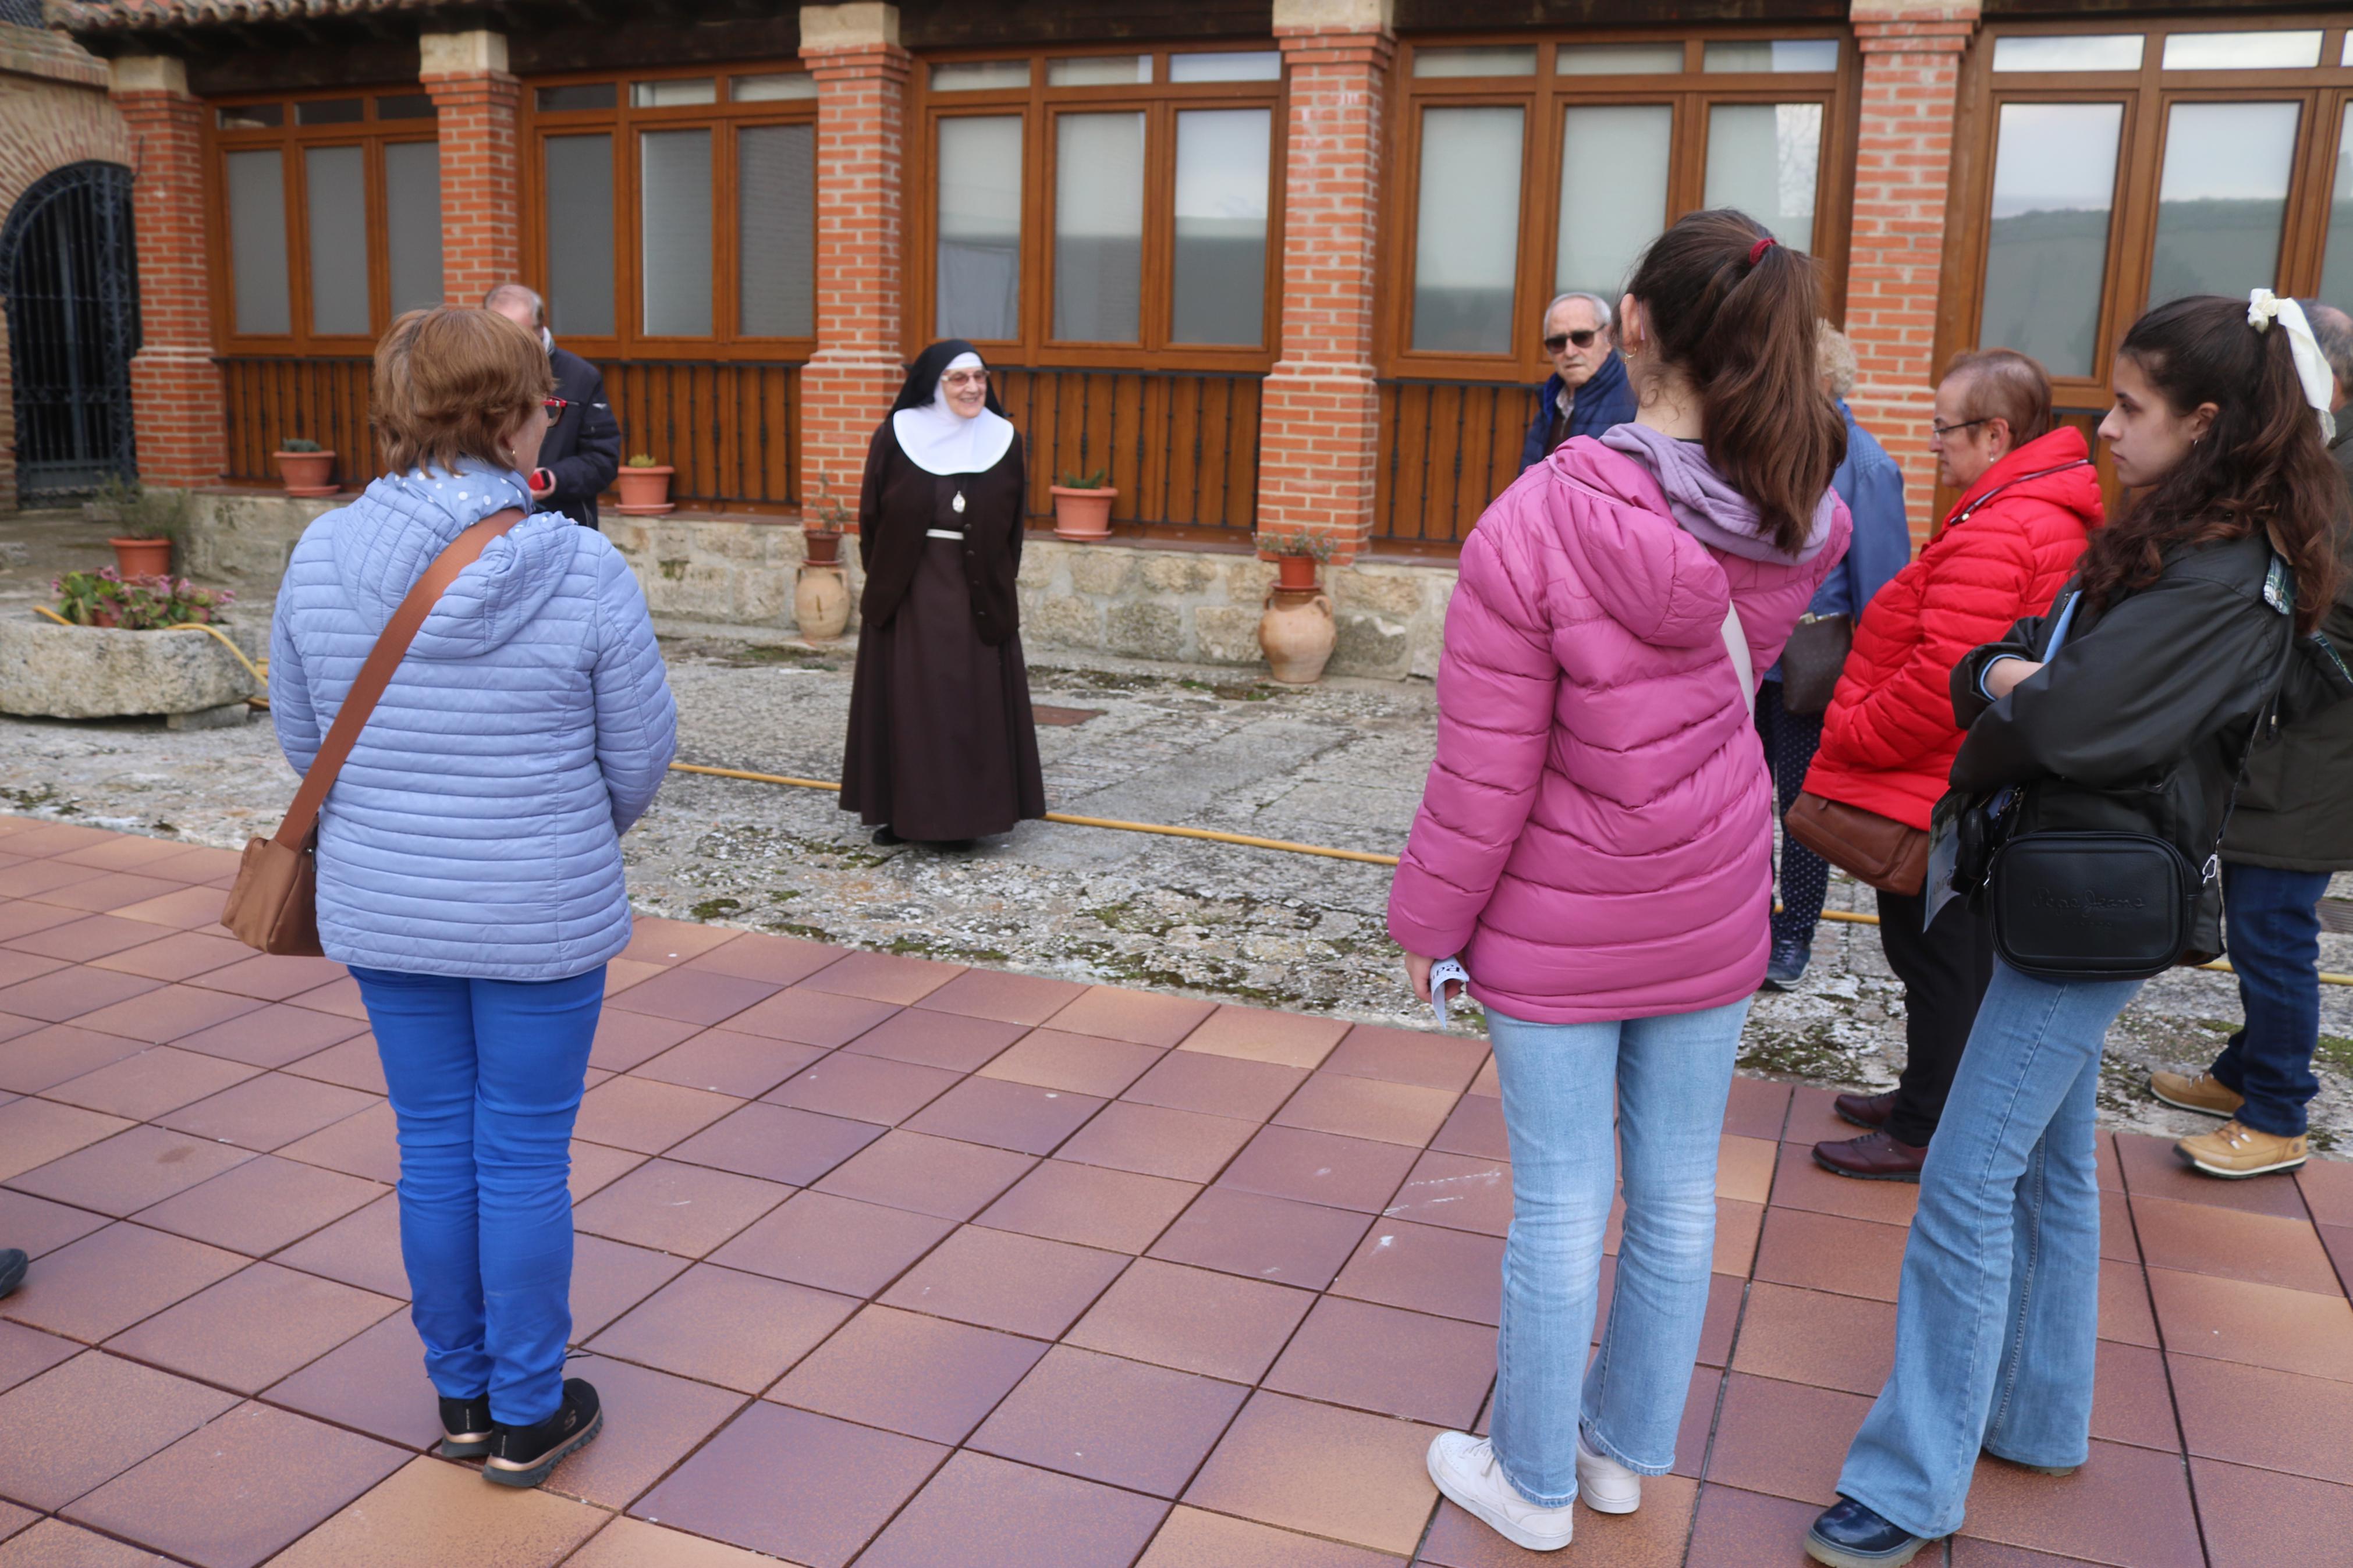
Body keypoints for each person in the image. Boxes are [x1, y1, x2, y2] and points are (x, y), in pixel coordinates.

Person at [1807, 291, 2340, 1568]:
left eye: (2131, 407)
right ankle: (2036, 1418)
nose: (2105, 429)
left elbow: (2064, 717)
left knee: (1961, 1182)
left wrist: (2001, 681)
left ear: (2205, 422)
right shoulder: (2201, 543)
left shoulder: (2219, 572)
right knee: (2039, 1164)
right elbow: (2042, 682)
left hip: (2085, 902)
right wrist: (2011, 677)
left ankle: (1908, 1483)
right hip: (2069, 884)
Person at [1392, 210, 1851, 1554]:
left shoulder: (1537, 517)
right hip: (1710, 893)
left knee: (1558, 1206)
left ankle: (1528, 1482)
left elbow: (1485, 773)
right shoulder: (1792, 513)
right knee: (1676, 1192)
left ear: (1631, 326)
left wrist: (1425, 922)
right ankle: (1613, 1460)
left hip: (1556, 916)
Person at [269, 305, 677, 1488]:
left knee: (433, 1147)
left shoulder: (318, 554)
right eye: (543, 396)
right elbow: (639, 755)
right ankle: (531, 1408)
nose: (554, 410)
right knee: (523, 1159)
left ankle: (460, 1397)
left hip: (385, 902)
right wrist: (558, 829)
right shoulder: (581, 563)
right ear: (509, 412)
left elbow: (305, 740)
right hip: (540, 907)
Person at [1801, 349, 2101, 1181]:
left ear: (1994, 431)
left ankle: (1923, 1125)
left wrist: (1851, 728)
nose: (1932, 442)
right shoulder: (2022, 506)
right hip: (1954, 778)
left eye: (1943, 428)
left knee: (1936, 958)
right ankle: (1923, 1094)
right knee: (1941, 954)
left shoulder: (2007, 522)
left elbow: (1945, 674)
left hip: (1934, 784)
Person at [2152, 297, 2353, 1179]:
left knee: (2274, 931)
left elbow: (2325, 611)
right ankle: (2243, 1073)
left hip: (2309, 747)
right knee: (2260, 919)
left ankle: (2276, 1111)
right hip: (2283, 740)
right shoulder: (2318, 458)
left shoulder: (2336, 473)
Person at [840, 340, 1045, 847]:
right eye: (959, 379)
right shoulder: (897, 434)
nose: (973, 388)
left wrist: (999, 581)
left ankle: (964, 820)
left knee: (965, 701)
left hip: (977, 591)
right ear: (934, 385)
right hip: (909, 589)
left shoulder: (1004, 439)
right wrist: (885, 579)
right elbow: (871, 513)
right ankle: (900, 812)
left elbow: (1014, 525)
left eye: (979, 377)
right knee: (907, 701)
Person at [1758, 323, 1912, 988]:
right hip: (1748, 658)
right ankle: (1748, 919)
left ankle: (1793, 934)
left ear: (1821, 382)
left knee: (1799, 809)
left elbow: (1884, 592)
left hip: (1812, 667)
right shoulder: (1766, 445)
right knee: (1736, 799)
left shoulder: (1867, 465)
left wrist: (1869, 690)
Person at [484, 283, 621, 529]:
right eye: (501, 338)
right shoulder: (480, 376)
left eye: (521, 337)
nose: (511, 348)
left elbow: (603, 460)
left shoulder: (581, 376)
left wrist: (551, 478)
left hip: (565, 524)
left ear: (540, 327)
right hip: (494, 525)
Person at [1517, 291, 1638, 471]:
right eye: (1557, 342)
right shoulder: (1551, 401)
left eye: (1582, 338)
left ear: (1609, 337)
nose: (1570, 352)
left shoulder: (1636, 399)